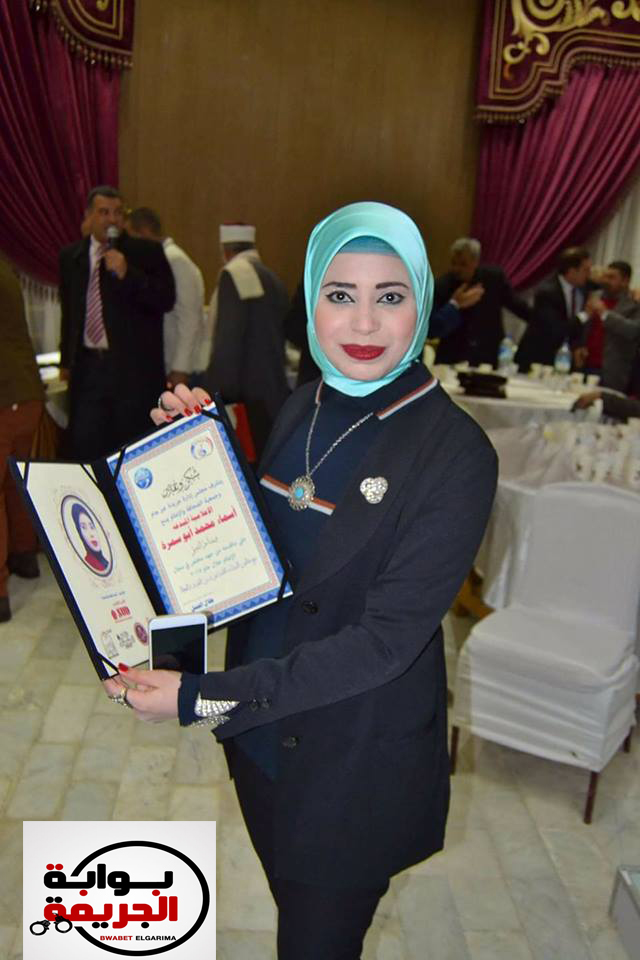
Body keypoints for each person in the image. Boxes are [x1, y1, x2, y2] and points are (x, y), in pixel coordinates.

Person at [104, 202, 498, 959]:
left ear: (421, 301)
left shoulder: (455, 453)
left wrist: (197, 696)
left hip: (351, 774)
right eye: (340, 294)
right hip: (262, 741)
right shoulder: (303, 402)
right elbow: (262, 552)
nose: (364, 322)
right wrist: (200, 452)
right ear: (312, 299)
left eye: (390, 296)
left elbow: (382, 645)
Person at [59, 186, 175, 461]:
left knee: (129, 450)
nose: (112, 219)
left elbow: (165, 299)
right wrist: (65, 361)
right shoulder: (72, 257)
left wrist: (128, 274)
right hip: (89, 369)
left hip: (131, 374)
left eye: (118, 213)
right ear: (89, 216)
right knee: (86, 448)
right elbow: (70, 312)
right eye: (104, 212)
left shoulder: (145, 252)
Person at [203, 223, 290, 458]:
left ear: (226, 250)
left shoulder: (234, 274)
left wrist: (217, 393)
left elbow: (229, 340)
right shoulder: (270, 276)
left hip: (247, 394)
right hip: (273, 389)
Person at [0, 256, 45, 622]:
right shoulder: (6, 267)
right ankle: (24, 556)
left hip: (5, 396)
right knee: (15, 483)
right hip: (27, 392)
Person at [126, 207, 206, 389]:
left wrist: (180, 368)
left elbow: (189, 318)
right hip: (166, 365)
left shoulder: (174, 259)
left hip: (181, 369)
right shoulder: (161, 259)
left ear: (144, 232)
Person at [433, 237, 531, 367]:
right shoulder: (442, 285)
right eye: (453, 263)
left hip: (488, 355)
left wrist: (540, 320)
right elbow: (435, 324)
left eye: (463, 264)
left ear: (475, 261)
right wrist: (455, 303)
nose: (456, 268)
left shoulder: (493, 279)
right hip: (453, 355)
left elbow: (516, 305)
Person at [515, 246, 593, 371]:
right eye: (586, 270)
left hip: (565, 360)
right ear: (572, 271)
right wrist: (585, 315)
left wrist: (578, 345)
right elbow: (557, 329)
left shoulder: (583, 289)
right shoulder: (547, 293)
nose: (590, 275)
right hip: (538, 358)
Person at [573, 261, 640, 392]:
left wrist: (605, 314)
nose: (606, 281)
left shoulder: (634, 303)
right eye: (605, 276)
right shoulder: (594, 296)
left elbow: (634, 331)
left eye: (612, 277)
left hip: (612, 371)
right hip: (584, 366)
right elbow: (582, 326)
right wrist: (579, 345)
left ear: (625, 281)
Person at [70, 503, 110, 573]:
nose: (91, 534)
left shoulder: (106, 563)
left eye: (92, 527)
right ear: (79, 533)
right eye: (84, 527)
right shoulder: (88, 564)